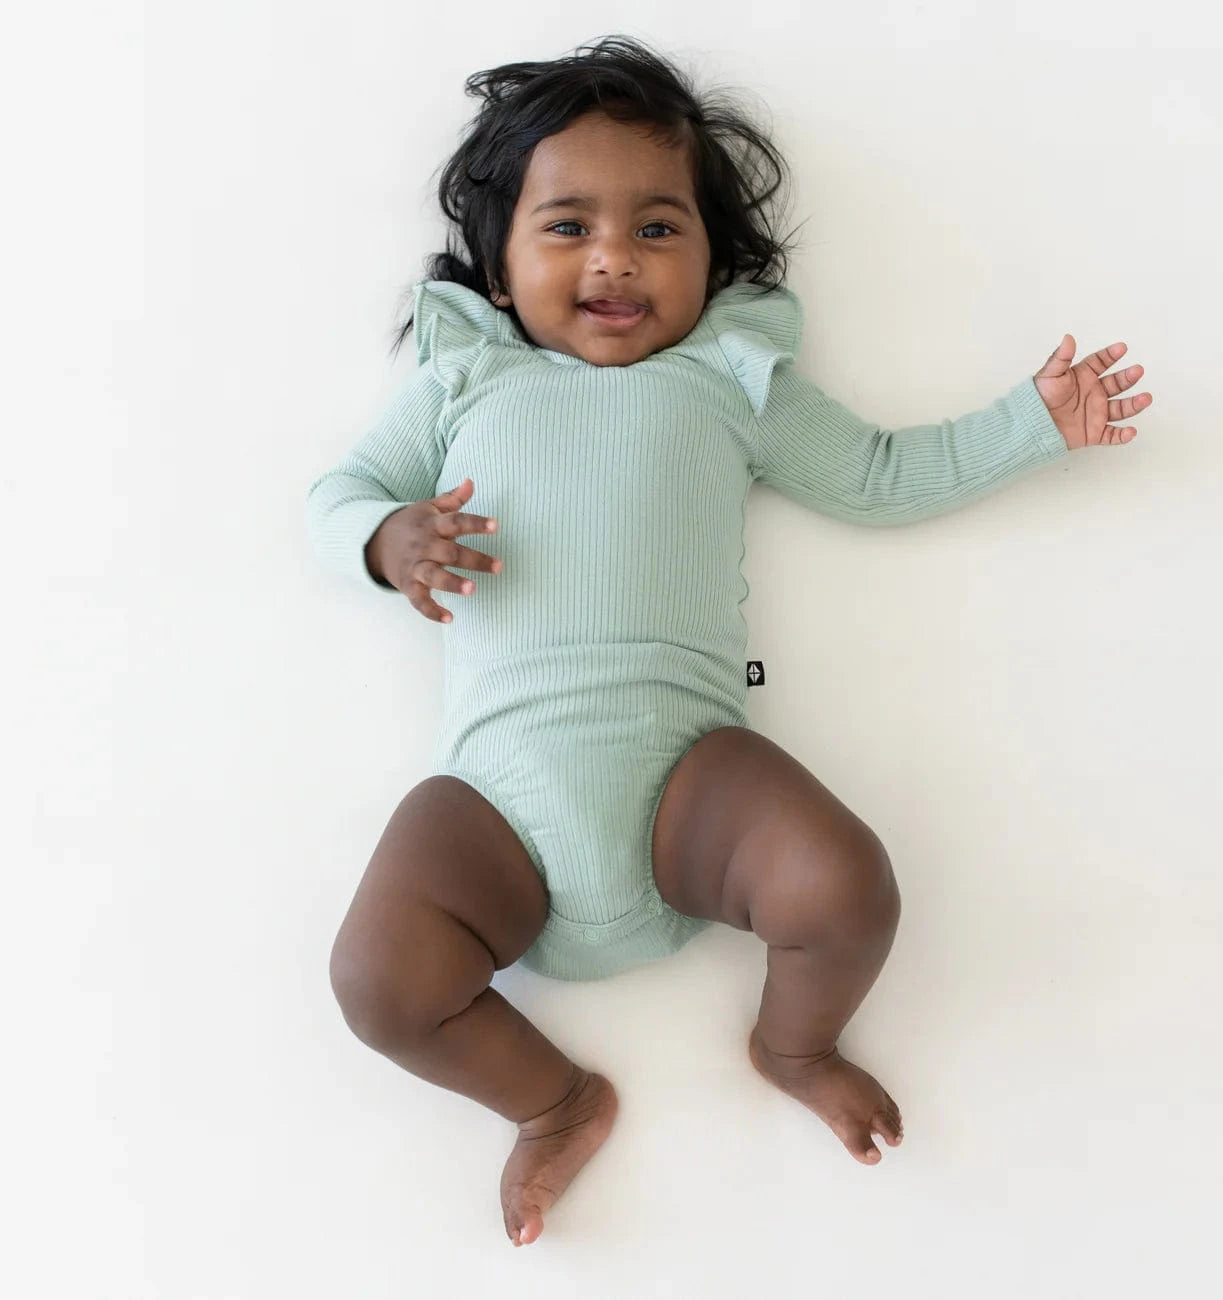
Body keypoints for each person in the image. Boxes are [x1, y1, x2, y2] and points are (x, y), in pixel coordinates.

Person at [304, 34, 1153, 1248]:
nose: (614, 256)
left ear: (712, 261)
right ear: (497, 265)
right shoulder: (463, 380)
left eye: (657, 228)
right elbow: (336, 496)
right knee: (376, 981)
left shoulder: (727, 380)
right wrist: (390, 540)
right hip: (494, 810)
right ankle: (551, 1101)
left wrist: (1031, 423)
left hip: (689, 793)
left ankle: (795, 1044)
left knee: (847, 884)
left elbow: (877, 475)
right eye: (568, 227)